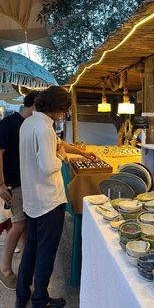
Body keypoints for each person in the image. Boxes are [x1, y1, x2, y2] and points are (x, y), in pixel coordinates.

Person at [16, 86, 71, 308]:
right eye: (64, 110)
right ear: (57, 108)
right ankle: (40, 299)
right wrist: (62, 156)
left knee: (31, 247)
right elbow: (49, 167)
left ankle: (22, 293)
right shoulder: (46, 129)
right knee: (46, 253)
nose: (63, 115)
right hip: (48, 200)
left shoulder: (28, 123)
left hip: (32, 198)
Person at [0, 91, 40, 290]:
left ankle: (24, 269)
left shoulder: (31, 125)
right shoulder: (9, 123)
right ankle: (5, 269)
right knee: (19, 224)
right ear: (34, 105)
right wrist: (0, 183)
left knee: (26, 226)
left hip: (28, 182)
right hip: (14, 183)